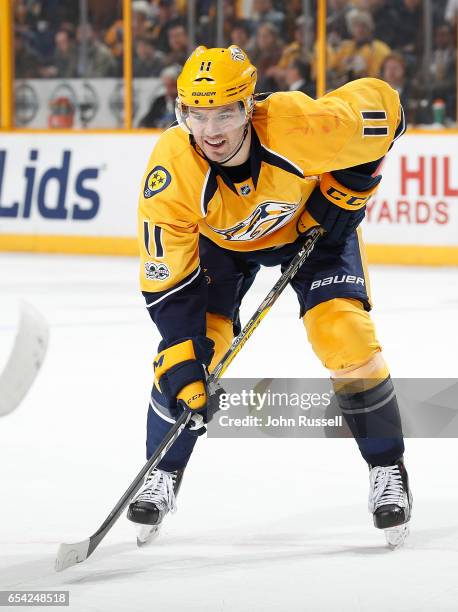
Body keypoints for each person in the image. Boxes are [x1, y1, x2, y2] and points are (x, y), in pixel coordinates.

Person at [128, 45, 412, 547]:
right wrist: (180, 350)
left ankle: (388, 468)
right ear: (182, 112)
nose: (211, 130)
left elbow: (386, 108)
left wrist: (346, 192)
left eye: (225, 112)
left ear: (249, 106)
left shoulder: (295, 125)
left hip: (310, 234)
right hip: (220, 248)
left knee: (343, 336)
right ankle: (161, 470)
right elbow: (167, 279)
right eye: (196, 113)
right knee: (192, 358)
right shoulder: (172, 171)